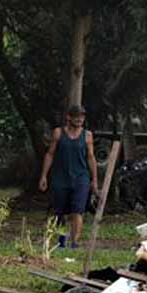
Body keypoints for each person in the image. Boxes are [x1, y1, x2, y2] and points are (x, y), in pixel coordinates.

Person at [38, 105, 98, 248]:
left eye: (82, 116)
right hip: (61, 177)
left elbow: (91, 157)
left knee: (77, 210)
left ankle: (75, 242)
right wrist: (44, 176)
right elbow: (50, 154)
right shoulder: (58, 133)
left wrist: (94, 179)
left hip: (81, 178)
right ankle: (62, 240)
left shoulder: (88, 135)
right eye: (76, 116)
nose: (79, 119)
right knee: (61, 211)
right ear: (68, 117)